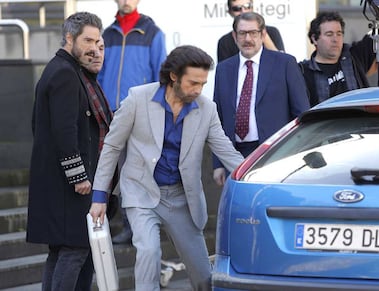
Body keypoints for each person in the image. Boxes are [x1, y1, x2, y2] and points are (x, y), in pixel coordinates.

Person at [89, 45, 244, 291]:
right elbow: (112, 146)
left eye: (203, 84)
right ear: (174, 76)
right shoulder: (137, 99)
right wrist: (100, 196)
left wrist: (255, 175)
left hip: (182, 197)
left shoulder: (206, 108)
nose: (198, 90)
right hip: (141, 191)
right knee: (149, 251)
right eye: (193, 83)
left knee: (203, 274)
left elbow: (225, 150)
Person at [26, 12, 111, 290]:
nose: (93, 47)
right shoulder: (64, 72)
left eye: (98, 41)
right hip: (71, 187)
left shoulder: (67, 70)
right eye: (88, 40)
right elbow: (64, 131)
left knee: (62, 252)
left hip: (61, 184)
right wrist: (79, 177)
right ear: (70, 38)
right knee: (74, 251)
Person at [213, 12, 310, 186]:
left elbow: (301, 114)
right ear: (235, 36)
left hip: (274, 153)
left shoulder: (285, 64)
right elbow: (217, 119)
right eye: (242, 33)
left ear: (263, 34)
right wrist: (217, 163)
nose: (247, 39)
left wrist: (297, 155)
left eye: (253, 33)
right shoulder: (223, 69)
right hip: (233, 155)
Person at [98, 0, 167, 244]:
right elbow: (100, 73)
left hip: (140, 113)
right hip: (111, 115)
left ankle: (140, 227)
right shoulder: (107, 34)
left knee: (136, 173)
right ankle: (123, 225)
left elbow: (162, 75)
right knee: (115, 173)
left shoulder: (152, 32)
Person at [298, 11, 377, 106]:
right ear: (314, 39)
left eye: (339, 34)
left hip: (358, 119)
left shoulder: (353, 56)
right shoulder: (303, 72)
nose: (335, 39)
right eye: (329, 34)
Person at [217, 0, 285, 63]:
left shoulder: (272, 32)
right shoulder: (224, 41)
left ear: (252, 7)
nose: (243, 11)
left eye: (247, 6)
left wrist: (263, 35)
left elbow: (281, 63)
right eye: (237, 9)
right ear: (230, 12)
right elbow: (225, 71)